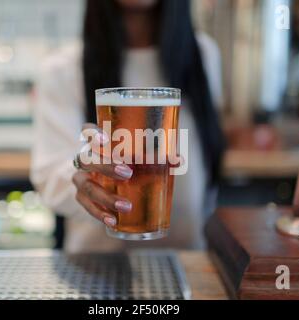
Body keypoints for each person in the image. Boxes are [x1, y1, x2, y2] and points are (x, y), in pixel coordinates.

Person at [31, 0, 225, 253]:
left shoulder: (204, 54)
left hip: (190, 261)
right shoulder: (63, 68)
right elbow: (50, 174)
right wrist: (82, 175)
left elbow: (205, 162)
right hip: (98, 265)